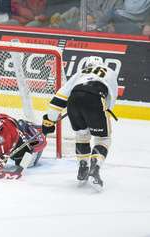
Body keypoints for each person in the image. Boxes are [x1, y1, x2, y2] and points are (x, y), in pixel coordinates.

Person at [42, 56, 118, 191]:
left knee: (82, 135)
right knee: (103, 138)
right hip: (96, 98)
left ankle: (83, 166)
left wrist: (50, 119)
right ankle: (95, 167)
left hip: (74, 99)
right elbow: (111, 97)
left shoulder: (80, 73)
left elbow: (60, 96)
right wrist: (102, 112)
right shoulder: (110, 72)